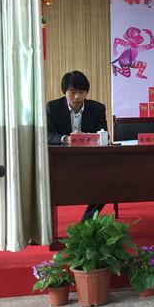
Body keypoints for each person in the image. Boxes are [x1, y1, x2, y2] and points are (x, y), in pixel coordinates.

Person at [46, 70, 108, 221]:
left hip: (89, 160)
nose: (77, 97)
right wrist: (66, 139)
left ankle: (86, 222)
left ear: (86, 92)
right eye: (72, 92)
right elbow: (47, 135)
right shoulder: (52, 107)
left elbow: (104, 134)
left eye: (81, 92)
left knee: (106, 184)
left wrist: (86, 137)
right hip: (60, 161)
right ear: (64, 91)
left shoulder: (97, 108)